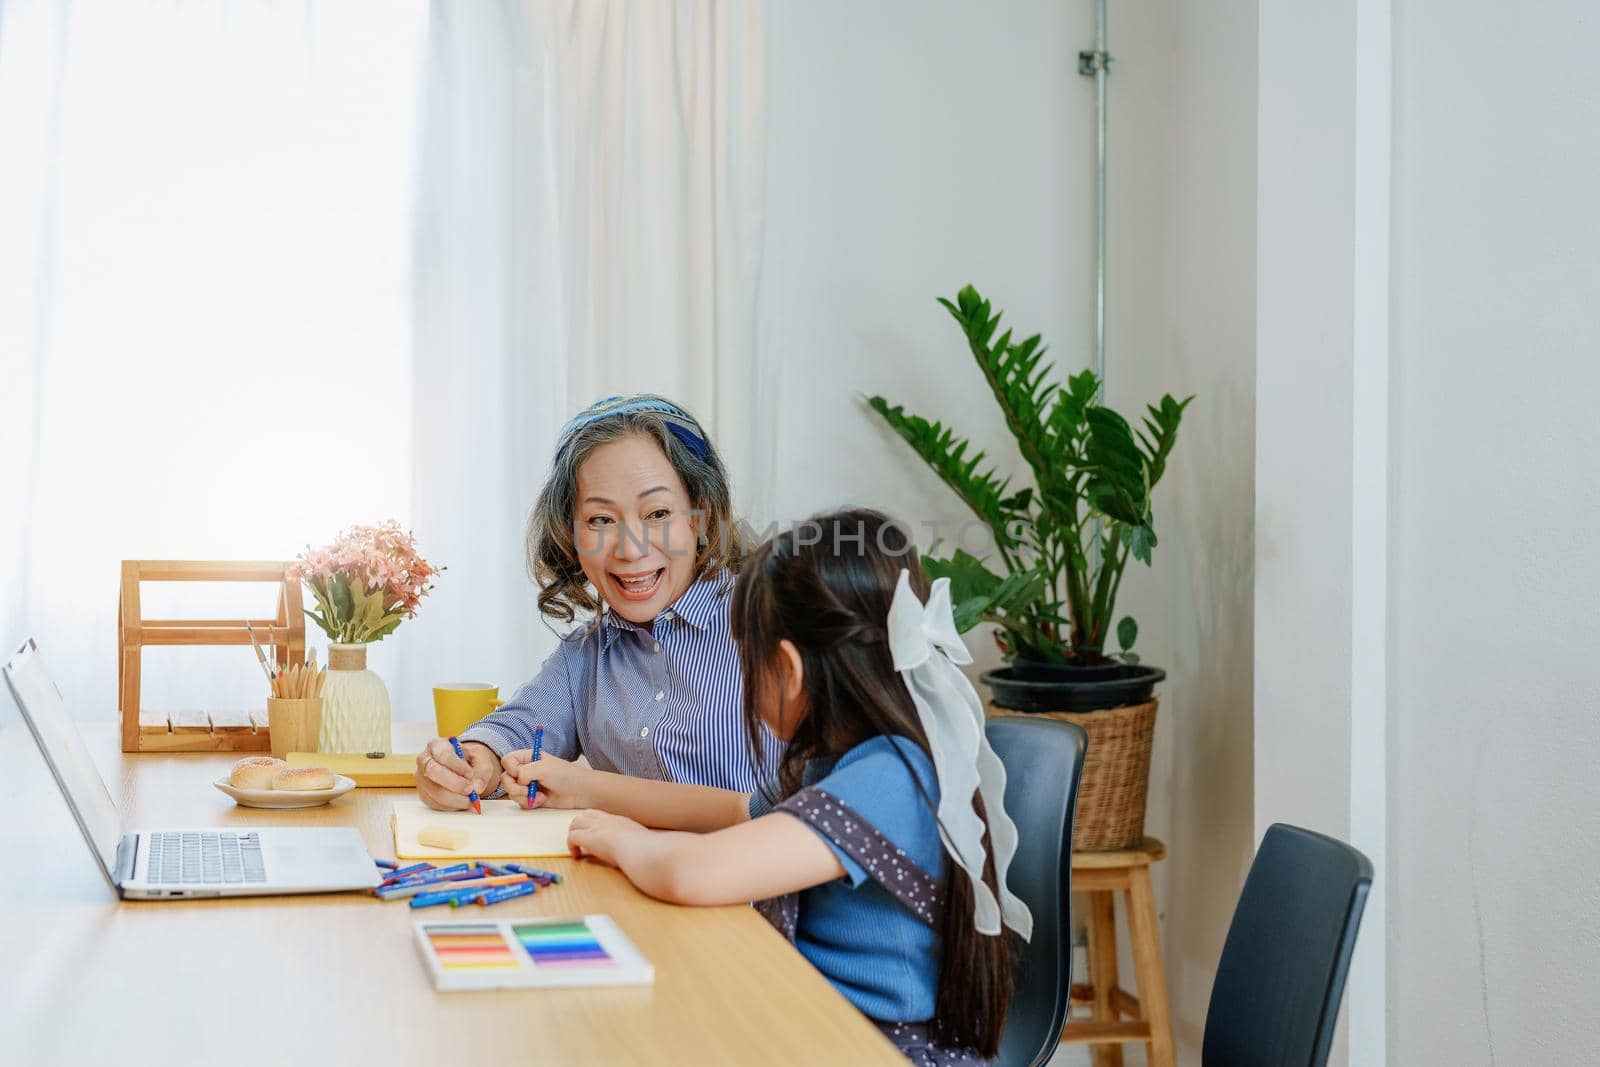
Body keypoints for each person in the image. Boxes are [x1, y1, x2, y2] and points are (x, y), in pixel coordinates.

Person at [502, 509, 1032, 1064]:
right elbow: (734, 814)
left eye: (745, 664)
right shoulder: (845, 762)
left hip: (872, 1049)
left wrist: (620, 841)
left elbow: (697, 870)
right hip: (808, 1021)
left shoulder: (892, 777)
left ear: (788, 669)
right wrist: (584, 790)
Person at [413, 395, 777, 809]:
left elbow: (794, 811)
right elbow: (516, 727)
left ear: (702, 519)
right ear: (571, 536)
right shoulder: (585, 657)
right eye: (601, 520)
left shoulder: (774, 623)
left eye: (657, 513)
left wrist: (590, 790)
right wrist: (475, 762)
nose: (630, 548)